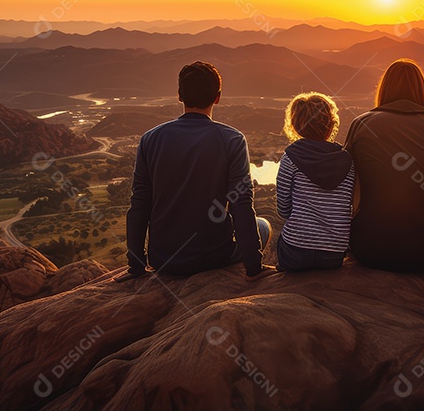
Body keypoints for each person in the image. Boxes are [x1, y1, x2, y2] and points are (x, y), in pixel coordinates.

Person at [116, 61, 271, 282]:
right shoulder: (232, 139)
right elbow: (241, 203)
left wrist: (136, 267)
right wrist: (254, 268)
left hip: (163, 260)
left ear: (180, 95)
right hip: (214, 257)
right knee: (263, 226)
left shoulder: (150, 139)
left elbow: (139, 204)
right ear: (217, 97)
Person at [345, 59, 424, 272]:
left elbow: (346, 179)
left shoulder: (362, 124)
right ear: (423, 90)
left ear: (383, 89)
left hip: (373, 249)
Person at [275, 92, 354, 271]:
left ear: (295, 125)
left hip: (295, 252)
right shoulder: (348, 161)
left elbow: (283, 210)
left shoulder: (290, 158)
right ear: (331, 123)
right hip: (333, 254)